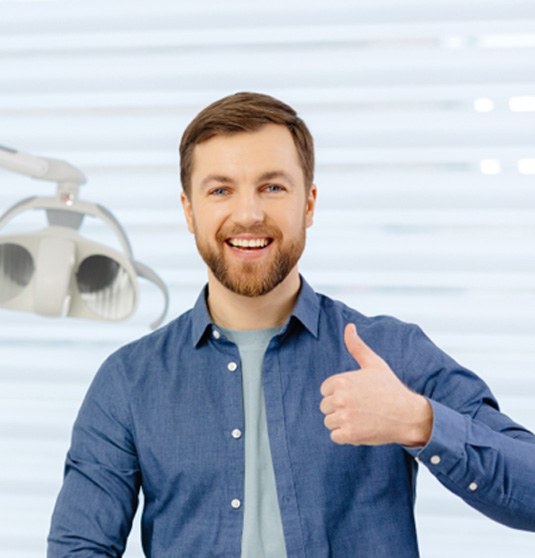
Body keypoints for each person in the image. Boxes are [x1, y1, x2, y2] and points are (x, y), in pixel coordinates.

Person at [48, 92, 535, 557]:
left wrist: (419, 421)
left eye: (273, 187)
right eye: (221, 190)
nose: (249, 213)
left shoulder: (389, 352)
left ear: (309, 204)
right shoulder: (129, 381)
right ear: (189, 212)